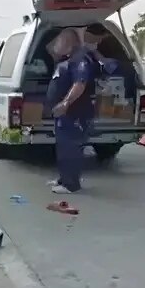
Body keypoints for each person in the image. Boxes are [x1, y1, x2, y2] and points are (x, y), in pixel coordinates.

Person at [48, 28, 99, 194]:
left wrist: (65, 103)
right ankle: (64, 178)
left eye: (60, 40)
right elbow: (50, 50)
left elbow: (79, 84)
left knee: (71, 148)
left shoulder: (79, 60)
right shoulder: (68, 59)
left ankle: (71, 184)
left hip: (75, 113)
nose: (57, 44)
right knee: (63, 147)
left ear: (69, 42)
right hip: (65, 114)